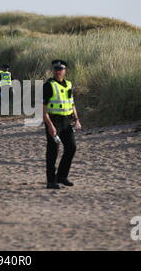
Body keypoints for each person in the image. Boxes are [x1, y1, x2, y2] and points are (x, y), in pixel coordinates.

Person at [43, 60, 82, 189]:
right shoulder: (49, 85)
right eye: (56, 69)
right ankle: (51, 181)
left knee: (71, 147)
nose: (58, 71)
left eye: (61, 69)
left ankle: (62, 176)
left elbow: (71, 103)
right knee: (53, 151)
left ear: (65, 71)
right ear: (53, 70)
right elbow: (43, 109)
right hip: (54, 121)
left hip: (67, 121)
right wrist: (50, 126)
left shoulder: (69, 84)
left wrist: (77, 120)